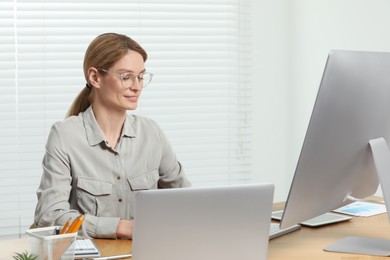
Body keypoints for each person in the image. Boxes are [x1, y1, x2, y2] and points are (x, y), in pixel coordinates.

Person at [33, 33, 191, 239]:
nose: (137, 86)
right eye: (126, 76)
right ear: (95, 77)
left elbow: (186, 201)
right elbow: (50, 215)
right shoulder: (65, 136)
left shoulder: (152, 133)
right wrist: (122, 227)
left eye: (141, 76)